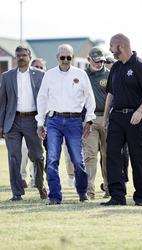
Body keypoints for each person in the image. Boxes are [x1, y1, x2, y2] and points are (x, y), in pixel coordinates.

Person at [36, 44, 96, 205]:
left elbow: (90, 99)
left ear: (73, 57)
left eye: (69, 57)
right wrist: (40, 123)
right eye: (62, 57)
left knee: (78, 160)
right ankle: (55, 196)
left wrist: (89, 120)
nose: (65, 60)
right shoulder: (49, 75)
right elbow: (41, 99)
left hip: (74, 121)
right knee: (52, 159)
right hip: (54, 120)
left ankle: (82, 192)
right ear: (57, 58)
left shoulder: (81, 74)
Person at [100, 33, 142, 206]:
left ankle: (140, 196)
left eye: (111, 46)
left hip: (136, 118)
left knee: (138, 157)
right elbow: (110, 93)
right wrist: (106, 116)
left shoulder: (140, 65)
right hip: (117, 117)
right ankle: (117, 196)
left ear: (120, 46)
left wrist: (140, 111)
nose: (109, 49)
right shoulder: (115, 67)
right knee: (113, 155)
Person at [0, 46, 47, 201]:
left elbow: (46, 99)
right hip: (12, 122)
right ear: (15, 57)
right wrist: (1, 125)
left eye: (23, 55)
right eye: (18, 55)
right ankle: (17, 193)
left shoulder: (40, 75)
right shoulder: (6, 77)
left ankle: (40, 186)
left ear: (29, 56)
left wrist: (44, 122)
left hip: (33, 121)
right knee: (14, 157)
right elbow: (2, 103)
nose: (20, 57)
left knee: (38, 156)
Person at [83, 47, 110, 199]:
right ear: (89, 60)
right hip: (89, 120)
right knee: (90, 155)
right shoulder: (82, 75)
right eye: (96, 61)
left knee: (107, 155)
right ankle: (89, 191)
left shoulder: (109, 75)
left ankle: (108, 188)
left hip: (106, 119)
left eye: (101, 61)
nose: (99, 63)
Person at [20, 58, 47, 188]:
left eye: (41, 67)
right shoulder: (27, 82)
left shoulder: (47, 81)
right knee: (27, 150)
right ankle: (23, 177)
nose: (39, 69)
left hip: (48, 121)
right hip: (29, 121)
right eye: (36, 66)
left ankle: (39, 180)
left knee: (42, 153)